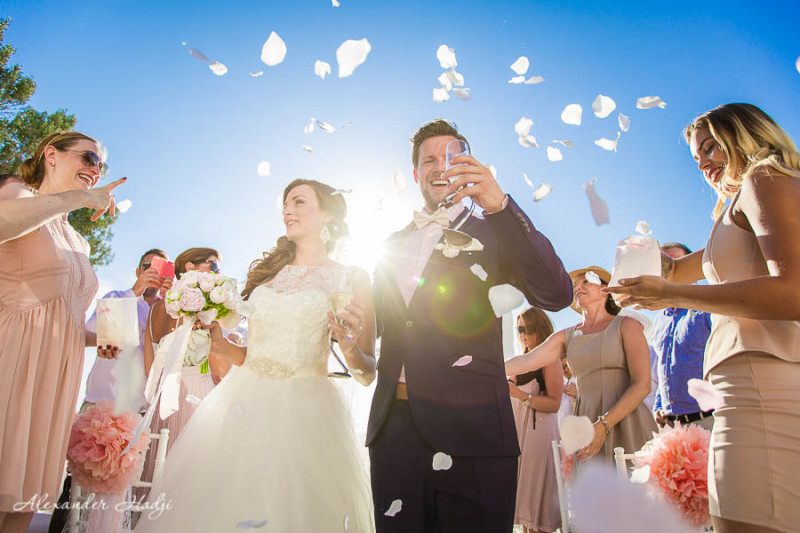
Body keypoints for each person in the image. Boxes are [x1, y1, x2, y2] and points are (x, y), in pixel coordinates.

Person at [135, 179, 376, 531]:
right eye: (285, 204)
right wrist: (220, 344)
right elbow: (253, 355)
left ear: (327, 214)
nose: (287, 210)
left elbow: (367, 372)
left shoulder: (351, 278)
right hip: (243, 402)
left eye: (298, 202)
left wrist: (350, 347)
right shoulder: (267, 276)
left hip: (307, 411)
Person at [368, 119, 572, 532]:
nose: (440, 166)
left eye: (450, 156)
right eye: (428, 160)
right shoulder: (389, 246)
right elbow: (379, 328)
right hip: (394, 433)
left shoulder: (495, 231)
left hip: (473, 431)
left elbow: (556, 293)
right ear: (415, 174)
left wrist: (500, 205)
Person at [606, 103, 800, 533]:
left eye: (711, 147)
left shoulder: (764, 178)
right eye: (697, 157)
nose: (703, 163)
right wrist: (647, 266)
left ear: (746, 135)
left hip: (763, 386)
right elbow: (677, 271)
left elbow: (794, 291)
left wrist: (672, 294)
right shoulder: (735, 207)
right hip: (740, 388)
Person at [0, 131, 122, 532]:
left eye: (101, 165)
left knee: (24, 499)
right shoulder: (18, 194)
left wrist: (100, 338)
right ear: (51, 155)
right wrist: (80, 198)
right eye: (89, 158)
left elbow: (64, 315)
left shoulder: (79, 242)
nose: (96, 170)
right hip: (13, 361)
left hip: (55, 377)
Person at [505, 267, 657, 465]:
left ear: (605, 290)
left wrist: (603, 425)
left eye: (586, 281)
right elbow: (527, 361)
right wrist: (482, 368)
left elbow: (643, 385)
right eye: (575, 284)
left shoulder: (627, 326)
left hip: (627, 420)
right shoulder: (566, 336)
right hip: (585, 421)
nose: (578, 287)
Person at [137, 247, 228, 501]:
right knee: (190, 485)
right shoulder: (201, 308)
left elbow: (150, 368)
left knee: (157, 477)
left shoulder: (155, 309)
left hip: (160, 403)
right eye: (213, 265)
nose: (217, 272)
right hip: (195, 397)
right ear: (189, 267)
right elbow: (218, 368)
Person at [86, 248, 172, 412]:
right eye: (147, 266)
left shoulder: (169, 311)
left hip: (144, 408)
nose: (153, 272)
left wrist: (172, 303)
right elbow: (92, 331)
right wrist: (133, 293)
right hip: (105, 400)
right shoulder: (116, 297)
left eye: (160, 268)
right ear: (138, 272)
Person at [508, 308, 562, 533]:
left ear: (539, 328)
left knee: (539, 508)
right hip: (518, 436)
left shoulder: (550, 360)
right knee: (526, 511)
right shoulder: (518, 362)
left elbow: (555, 403)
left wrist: (521, 396)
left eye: (527, 328)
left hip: (539, 434)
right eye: (519, 328)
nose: (522, 334)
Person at [649, 242, 713, 431]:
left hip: (710, 419)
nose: (669, 269)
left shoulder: (708, 307)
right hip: (672, 425)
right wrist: (659, 405)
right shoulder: (660, 319)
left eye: (676, 261)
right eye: (662, 264)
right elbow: (663, 366)